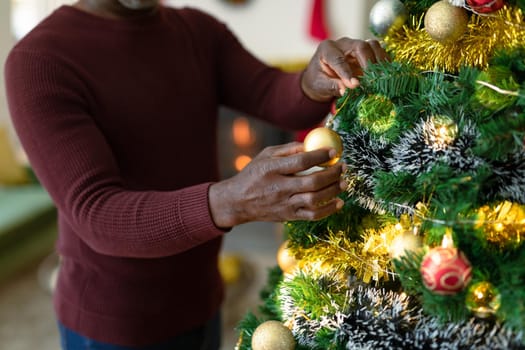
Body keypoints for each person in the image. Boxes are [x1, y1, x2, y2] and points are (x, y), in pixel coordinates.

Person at [4, 0, 387, 349]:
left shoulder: (196, 30)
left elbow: (270, 92)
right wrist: (232, 200)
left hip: (202, 297)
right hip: (114, 323)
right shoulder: (40, 61)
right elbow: (97, 213)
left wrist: (312, 80)